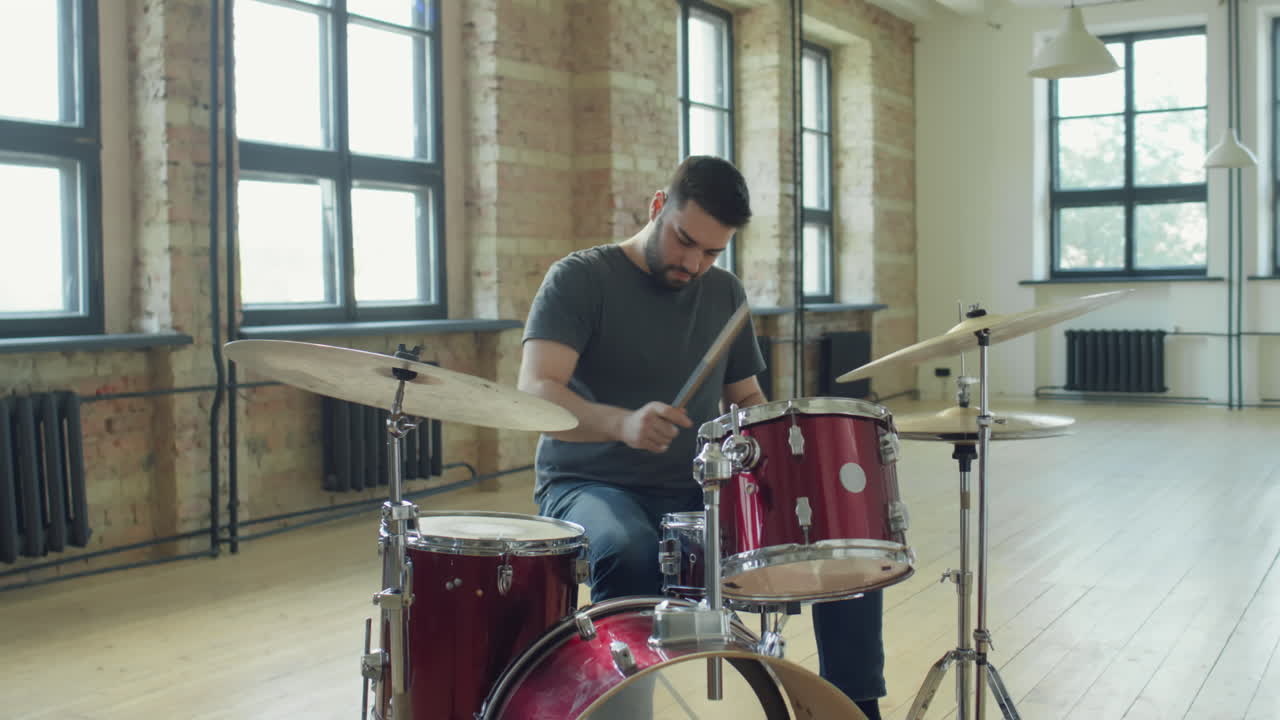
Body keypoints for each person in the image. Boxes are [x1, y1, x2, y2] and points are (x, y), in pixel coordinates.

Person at [517, 155, 885, 719]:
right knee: (628, 547)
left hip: (698, 489)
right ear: (658, 206)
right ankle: (625, 710)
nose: (694, 262)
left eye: (712, 252)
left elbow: (747, 400)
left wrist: (789, 457)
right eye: (685, 241)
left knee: (840, 537)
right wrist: (622, 423)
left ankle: (855, 709)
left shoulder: (724, 295)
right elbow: (536, 392)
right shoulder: (581, 278)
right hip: (588, 483)